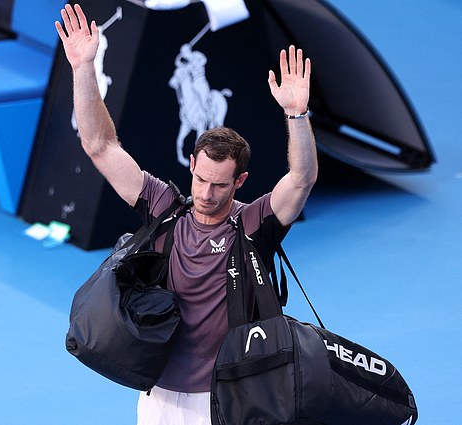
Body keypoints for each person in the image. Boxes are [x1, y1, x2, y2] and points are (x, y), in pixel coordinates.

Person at [56, 4, 317, 424]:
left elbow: (302, 178)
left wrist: (297, 114)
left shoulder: (253, 225)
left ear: (240, 182)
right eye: (201, 180)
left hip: (224, 398)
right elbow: (99, 145)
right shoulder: (164, 209)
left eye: (220, 185)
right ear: (192, 167)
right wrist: (84, 66)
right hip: (157, 394)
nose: (207, 194)